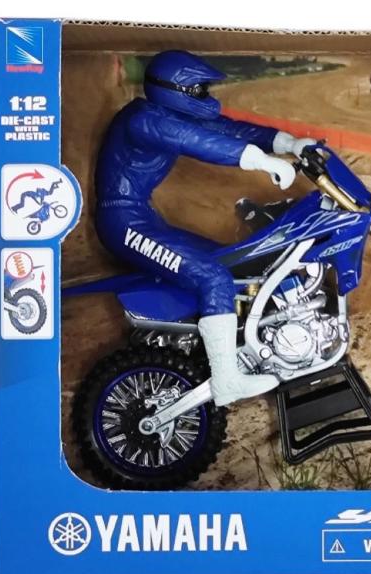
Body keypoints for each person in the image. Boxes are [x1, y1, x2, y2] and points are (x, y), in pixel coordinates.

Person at [94, 50, 315, 406]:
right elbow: (199, 142)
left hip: (140, 216)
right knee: (214, 277)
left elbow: (228, 129)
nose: (206, 97)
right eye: (199, 90)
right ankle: (226, 380)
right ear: (174, 89)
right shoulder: (145, 119)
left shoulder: (167, 114)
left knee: (230, 262)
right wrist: (263, 162)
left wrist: (288, 143)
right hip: (123, 222)